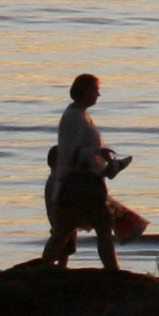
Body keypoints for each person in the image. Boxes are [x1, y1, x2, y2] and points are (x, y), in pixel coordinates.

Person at [42, 71, 131, 270]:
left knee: (91, 228)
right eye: (95, 90)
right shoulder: (73, 116)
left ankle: (111, 270)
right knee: (70, 230)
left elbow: (79, 152)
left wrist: (103, 162)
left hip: (87, 181)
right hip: (78, 184)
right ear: (84, 91)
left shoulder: (81, 115)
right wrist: (98, 151)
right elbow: (69, 152)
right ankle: (111, 271)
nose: (98, 95)